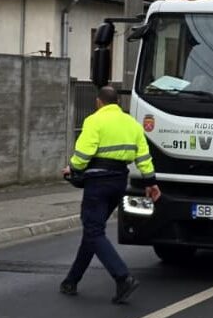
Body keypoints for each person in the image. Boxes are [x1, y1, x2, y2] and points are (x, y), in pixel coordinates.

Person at [61, 86, 160, 304]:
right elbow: (143, 156)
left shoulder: (94, 121)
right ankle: (71, 280)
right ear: (117, 102)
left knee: (94, 231)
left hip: (98, 183)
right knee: (93, 232)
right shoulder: (132, 124)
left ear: (99, 102)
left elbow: (84, 153)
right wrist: (151, 182)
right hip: (118, 183)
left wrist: (72, 168)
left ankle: (123, 277)